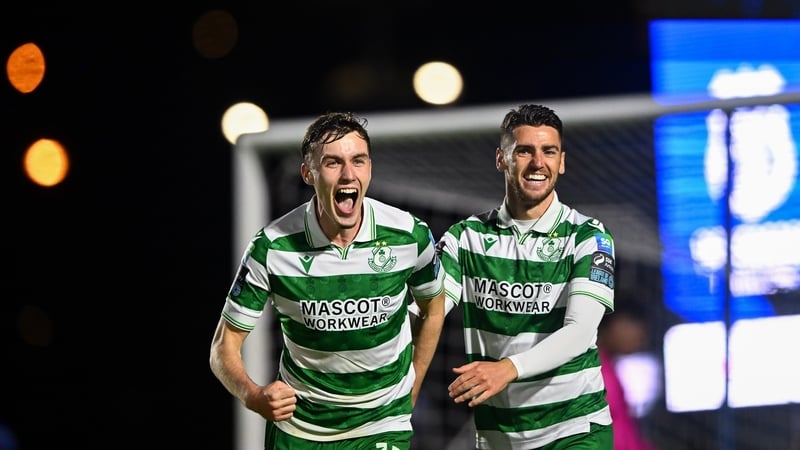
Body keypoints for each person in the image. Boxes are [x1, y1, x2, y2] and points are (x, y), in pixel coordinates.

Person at [209, 111, 447, 449]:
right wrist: (254, 396)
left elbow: (433, 309)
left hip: (381, 422)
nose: (349, 174)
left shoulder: (409, 236)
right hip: (300, 429)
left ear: (369, 168)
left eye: (358, 161)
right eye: (333, 163)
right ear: (309, 173)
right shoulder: (272, 247)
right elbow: (223, 347)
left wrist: (413, 385)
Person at [439, 104, 616, 449]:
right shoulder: (465, 237)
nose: (538, 163)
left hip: (575, 428)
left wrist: (506, 368)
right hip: (498, 436)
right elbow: (429, 311)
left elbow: (580, 332)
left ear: (561, 162)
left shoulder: (588, 236)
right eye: (524, 151)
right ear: (501, 159)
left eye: (549, 151)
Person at [598, 298, 659, 450]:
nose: (642, 337)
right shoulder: (595, 370)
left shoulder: (606, 366)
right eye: (636, 326)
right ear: (616, 324)